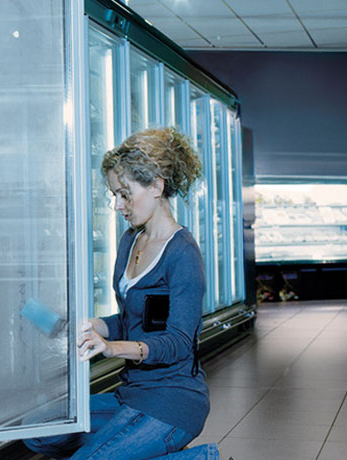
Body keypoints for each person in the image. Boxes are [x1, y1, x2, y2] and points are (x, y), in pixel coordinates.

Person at [25, 128, 222, 460]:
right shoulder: (130, 241)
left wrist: (110, 348)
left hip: (172, 403)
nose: (118, 205)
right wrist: (94, 327)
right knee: (38, 430)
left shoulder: (182, 254)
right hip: (131, 393)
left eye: (125, 194)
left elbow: (175, 342)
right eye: (114, 195)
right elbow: (138, 320)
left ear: (157, 186)